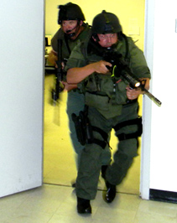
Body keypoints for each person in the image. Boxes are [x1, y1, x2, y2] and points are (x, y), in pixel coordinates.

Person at [66, 10, 150, 214]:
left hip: (125, 110)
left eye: (112, 35)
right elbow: (70, 77)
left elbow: (144, 75)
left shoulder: (129, 47)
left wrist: (137, 91)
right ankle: (84, 198)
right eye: (103, 36)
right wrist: (93, 67)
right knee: (92, 151)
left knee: (129, 150)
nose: (108, 40)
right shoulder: (85, 48)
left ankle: (111, 181)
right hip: (97, 110)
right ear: (95, 35)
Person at [48, 2, 111, 180]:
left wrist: (73, 82)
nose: (66, 27)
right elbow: (52, 54)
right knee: (77, 131)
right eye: (63, 23)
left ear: (80, 22)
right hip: (75, 91)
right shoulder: (60, 36)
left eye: (70, 23)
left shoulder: (93, 37)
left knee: (97, 131)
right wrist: (58, 62)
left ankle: (105, 167)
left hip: (95, 89)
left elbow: (103, 70)